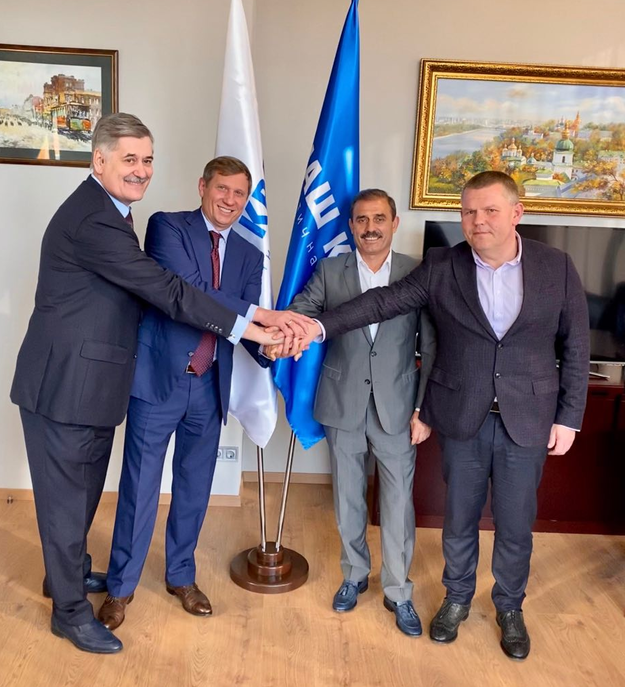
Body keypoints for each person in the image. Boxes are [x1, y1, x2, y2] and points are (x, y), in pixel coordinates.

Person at [10, 113, 307, 654]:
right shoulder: (100, 219)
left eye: (147, 160)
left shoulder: (113, 213)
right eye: (130, 159)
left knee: (81, 496)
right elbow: (169, 291)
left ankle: (67, 577)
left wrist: (266, 338)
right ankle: (70, 614)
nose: (141, 170)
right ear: (99, 160)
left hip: (96, 383)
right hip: (67, 385)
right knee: (66, 501)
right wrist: (260, 322)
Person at [293, 171, 590, 659]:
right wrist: (318, 328)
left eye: (490, 210)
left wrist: (569, 416)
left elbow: (576, 344)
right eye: (469, 211)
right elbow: (382, 302)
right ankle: (456, 599)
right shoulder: (442, 265)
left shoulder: (555, 266)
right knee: (459, 520)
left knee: (515, 522)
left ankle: (509, 607)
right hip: (462, 414)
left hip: (528, 417)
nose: (478, 221)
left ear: (516, 213)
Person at [97, 157, 271, 630]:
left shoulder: (250, 255)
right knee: (140, 488)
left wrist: (274, 347)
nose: (230, 200)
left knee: (195, 489)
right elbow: (187, 294)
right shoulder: (167, 228)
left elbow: (243, 321)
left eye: (239, 193)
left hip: (210, 385)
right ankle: (121, 588)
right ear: (202, 186)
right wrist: (261, 322)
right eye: (222, 189)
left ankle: (181, 576)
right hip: (159, 381)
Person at [275, 189, 435, 636]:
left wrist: (423, 408)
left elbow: (432, 345)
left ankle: (399, 591)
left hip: (397, 408)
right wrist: (283, 333)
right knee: (347, 496)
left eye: (379, 219)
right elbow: (302, 311)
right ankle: (354, 574)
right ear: (350, 226)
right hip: (342, 401)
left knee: (398, 502)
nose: (370, 228)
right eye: (362, 220)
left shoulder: (416, 273)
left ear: (395, 223)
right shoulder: (331, 270)